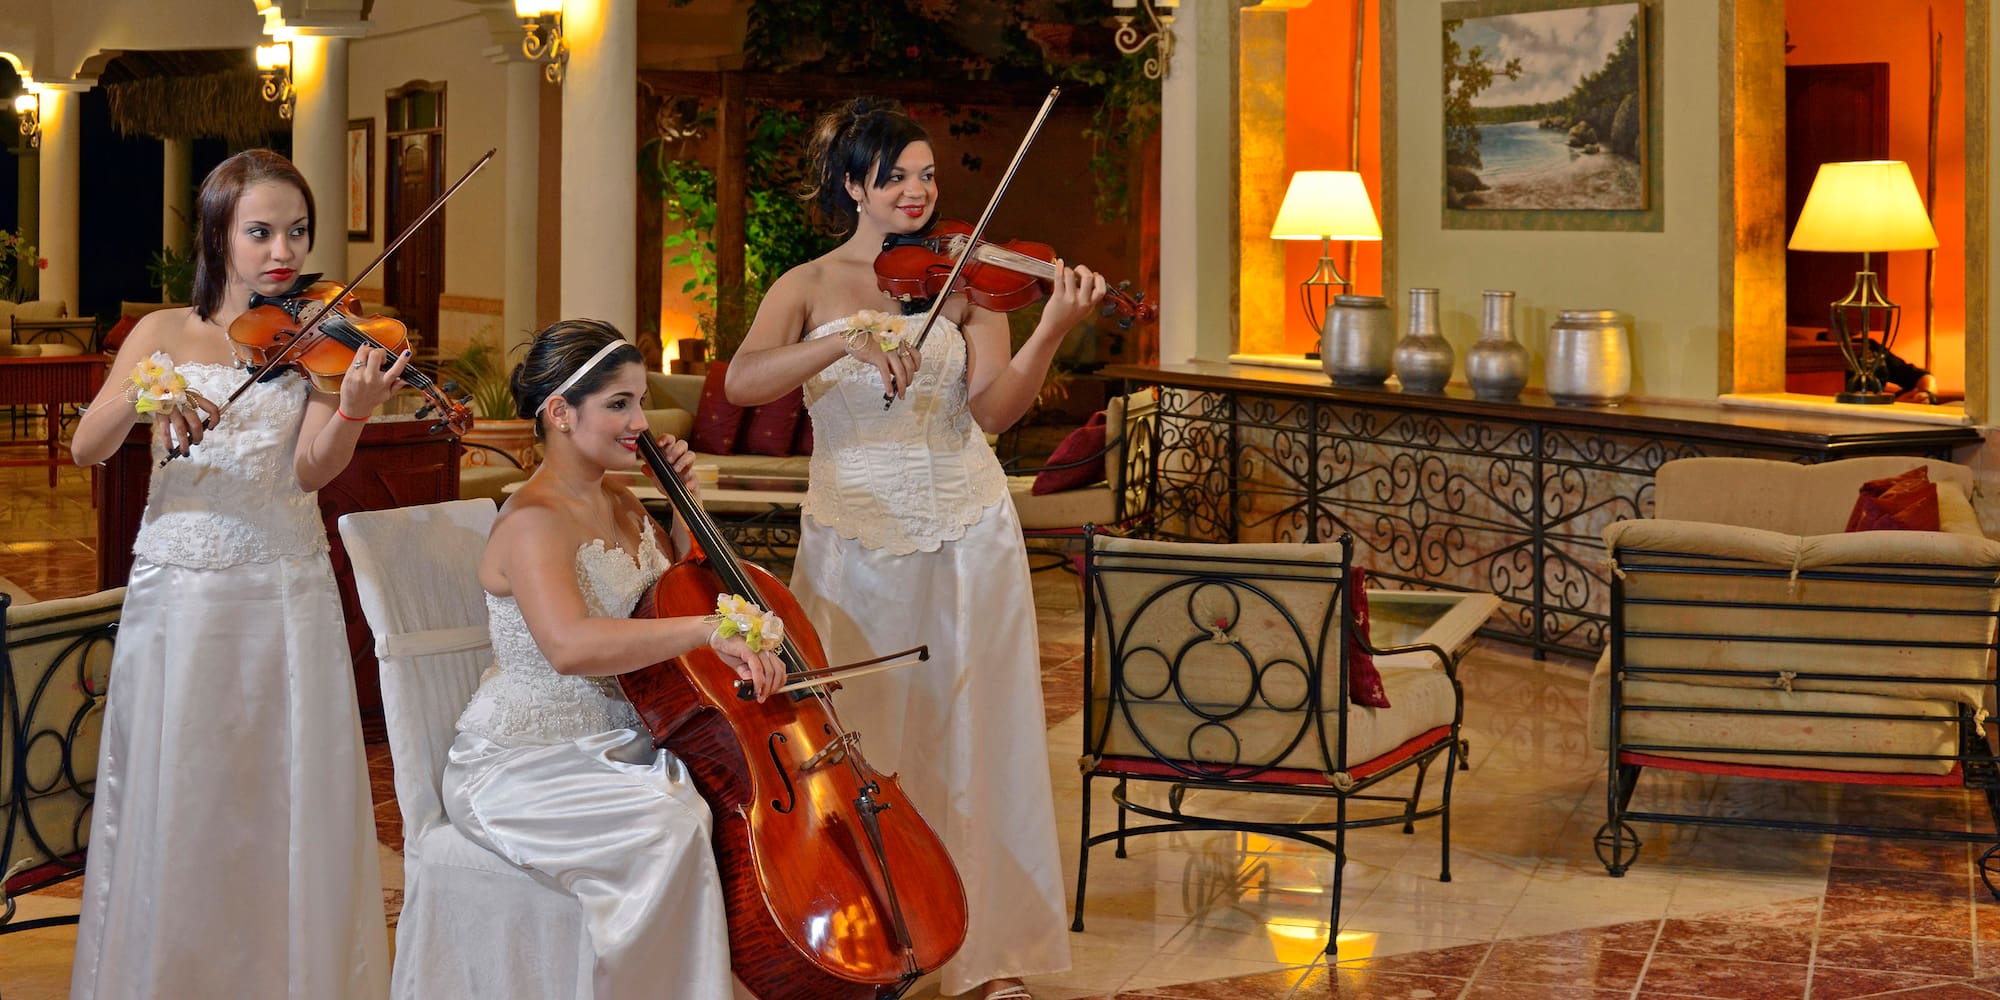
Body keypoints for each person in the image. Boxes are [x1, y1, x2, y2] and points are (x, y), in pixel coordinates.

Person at [724, 97, 1106, 1000]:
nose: (916, 191)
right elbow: (744, 379)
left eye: (927, 175)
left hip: (968, 522)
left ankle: (986, 954)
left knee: (977, 730)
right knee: (857, 733)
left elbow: (991, 413)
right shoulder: (808, 286)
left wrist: (1049, 328)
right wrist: (843, 343)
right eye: (894, 175)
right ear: (852, 183)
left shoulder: (966, 284)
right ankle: (867, 944)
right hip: (853, 531)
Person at [67, 149, 400, 998]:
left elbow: (311, 471)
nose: (282, 249)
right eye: (260, 231)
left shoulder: (315, 336)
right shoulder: (160, 334)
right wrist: (144, 397)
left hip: (282, 587)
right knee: (178, 790)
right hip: (178, 588)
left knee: (279, 799)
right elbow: (87, 445)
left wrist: (353, 411)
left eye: (296, 230)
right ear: (220, 233)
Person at [440, 319, 785, 999]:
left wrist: (688, 512)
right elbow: (570, 646)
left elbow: (672, 594)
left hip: (623, 737)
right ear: (561, 413)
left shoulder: (624, 501)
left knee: (710, 807)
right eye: (618, 404)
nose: (641, 421)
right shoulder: (532, 519)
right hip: (527, 759)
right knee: (669, 827)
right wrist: (706, 633)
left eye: (640, 400)